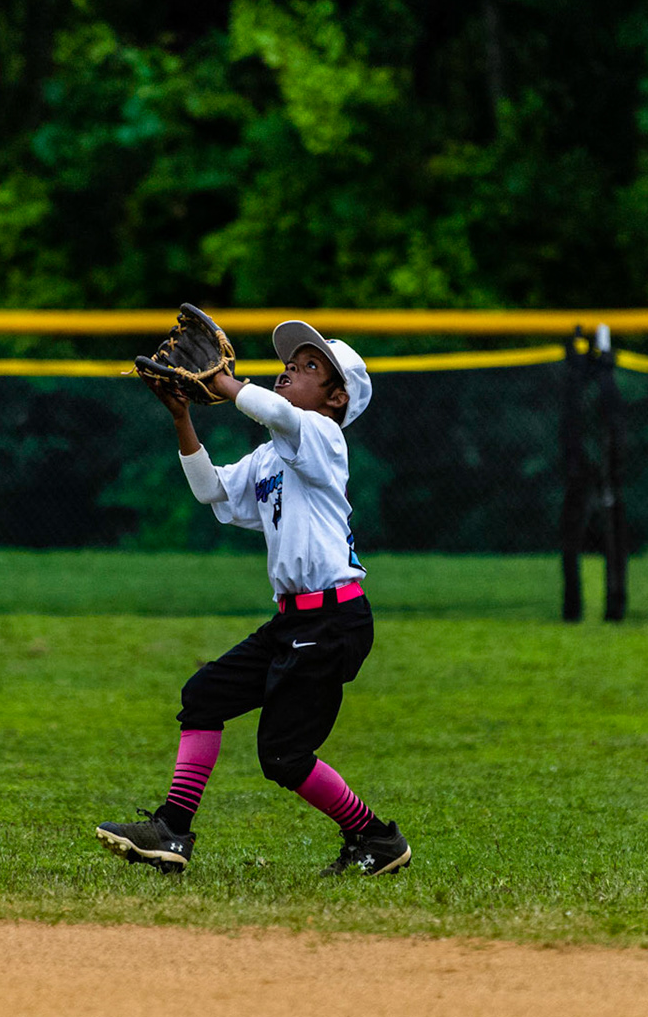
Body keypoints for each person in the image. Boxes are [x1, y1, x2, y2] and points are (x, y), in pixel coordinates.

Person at [94, 318, 411, 877]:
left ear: (337, 398)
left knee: (284, 756)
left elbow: (279, 413)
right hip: (294, 621)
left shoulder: (323, 437)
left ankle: (375, 838)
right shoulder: (270, 457)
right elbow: (210, 489)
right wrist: (182, 417)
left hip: (333, 619)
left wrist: (222, 383)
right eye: (289, 363)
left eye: (309, 367)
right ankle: (172, 830)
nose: (289, 371)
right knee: (204, 696)